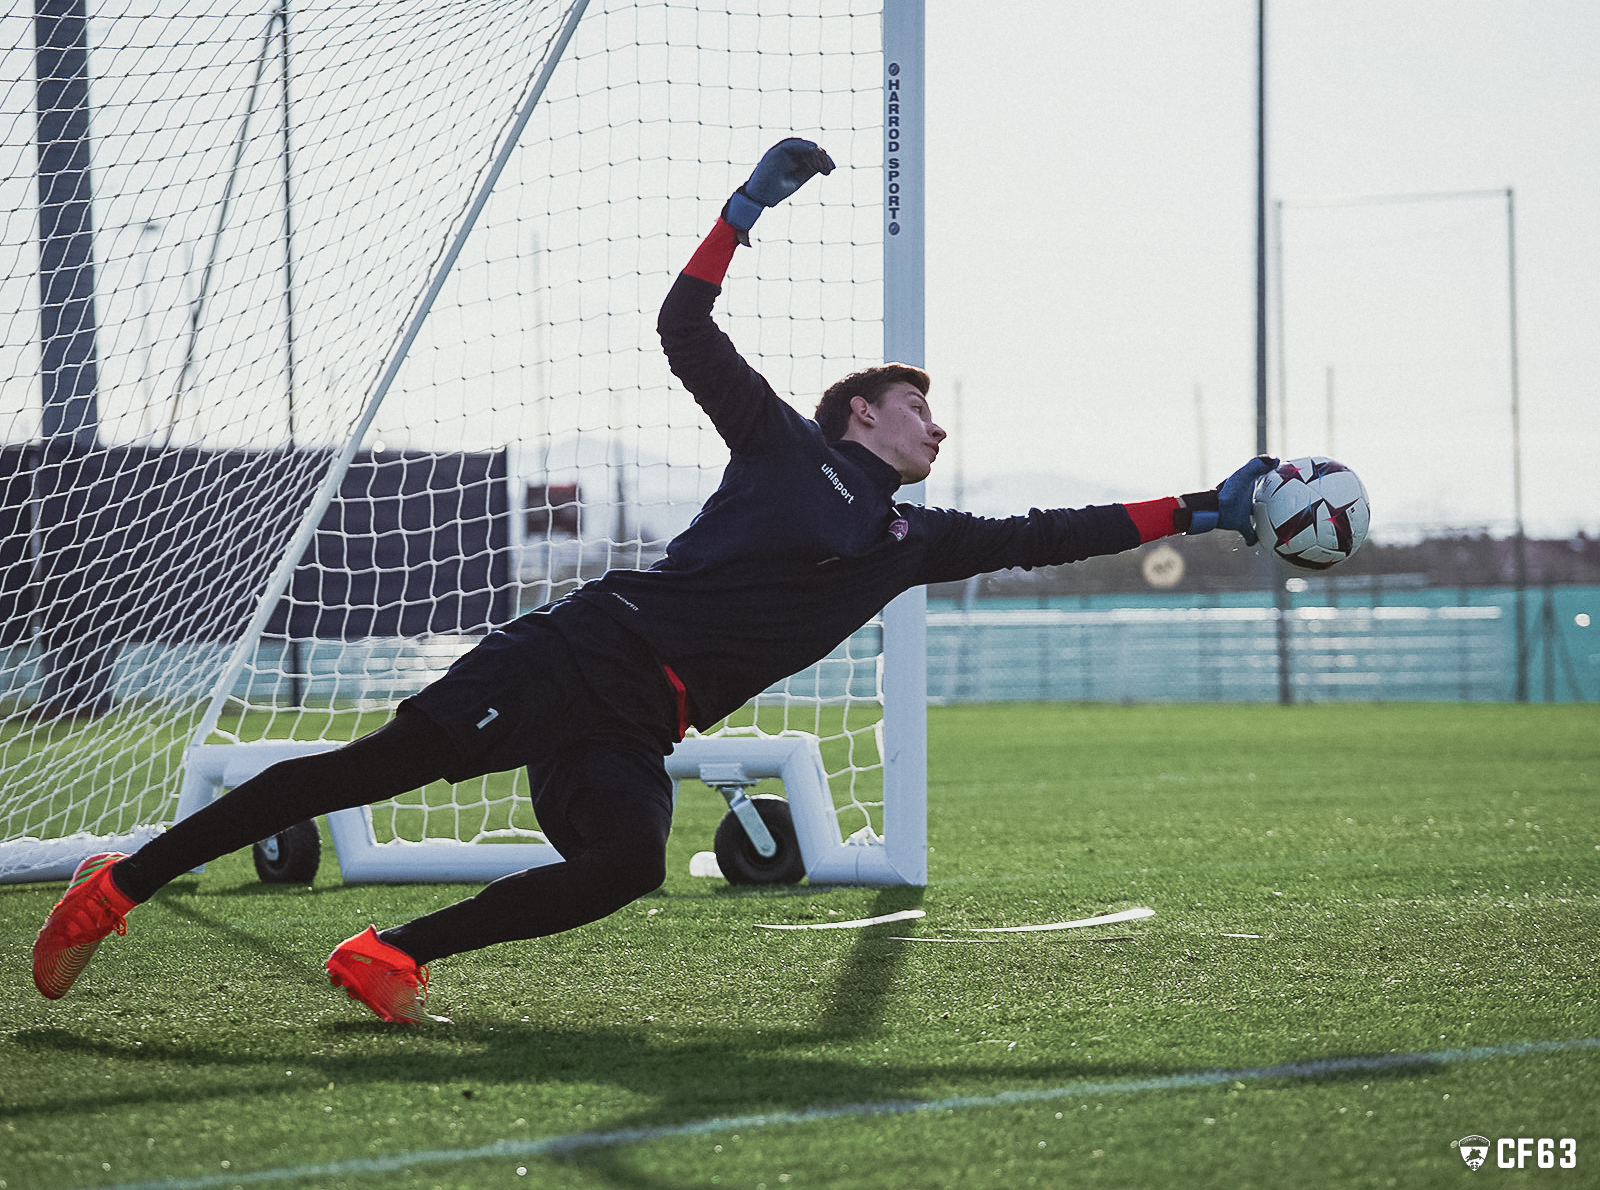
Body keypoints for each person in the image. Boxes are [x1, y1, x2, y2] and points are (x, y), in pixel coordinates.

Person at [32, 138, 1277, 1023]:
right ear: (857, 413)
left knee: (625, 864)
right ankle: (119, 885)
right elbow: (685, 331)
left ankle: (386, 955)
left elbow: (1049, 530)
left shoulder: (919, 539)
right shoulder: (785, 442)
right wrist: (743, 209)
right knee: (371, 770)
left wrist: (1208, 508)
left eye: (936, 416)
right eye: (915, 407)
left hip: (642, 715)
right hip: (581, 651)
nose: (932, 428)